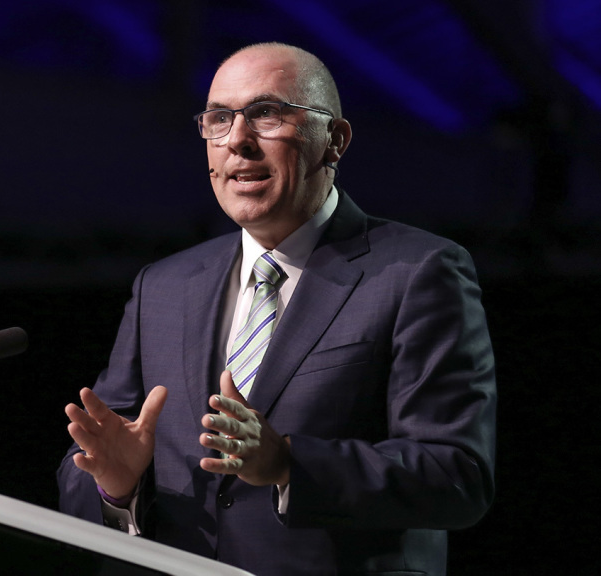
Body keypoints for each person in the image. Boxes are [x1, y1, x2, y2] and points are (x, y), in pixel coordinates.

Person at [57, 42, 496, 576]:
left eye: (266, 114)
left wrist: (289, 463)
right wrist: (116, 483)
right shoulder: (164, 286)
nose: (237, 141)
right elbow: (94, 455)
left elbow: (457, 475)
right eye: (219, 119)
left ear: (334, 140)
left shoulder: (418, 272)